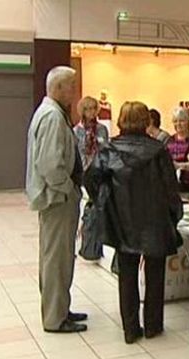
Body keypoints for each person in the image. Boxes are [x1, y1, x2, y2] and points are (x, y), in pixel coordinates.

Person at [84, 101, 183, 344]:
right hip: (155, 219)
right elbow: (171, 188)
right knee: (155, 274)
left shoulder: (109, 150)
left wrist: (104, 200)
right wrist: (175, 214)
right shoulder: (158, 150)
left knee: (126, 275)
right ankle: (153, 325)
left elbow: (90, 179)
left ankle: (130, 328)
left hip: (122, 220)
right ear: (145, 121)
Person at [25, 66, 87, 333]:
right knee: (56, 259)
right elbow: (50, 165)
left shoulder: (51, 112)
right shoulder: (51, 116)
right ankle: (54, 318)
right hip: (57, 198)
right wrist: (68, 189)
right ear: (58, 88)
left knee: (60, 257)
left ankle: (60, 308)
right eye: (72, 85)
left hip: (57, 197)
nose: (75, 91)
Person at [74, 96, 110, 262]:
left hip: (99, 175)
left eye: (93, 109)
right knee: (84, 208)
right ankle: (83, 242)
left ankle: (96, 245)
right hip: (83, 175)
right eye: (87, 109)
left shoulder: (102, 129)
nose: (91, 112)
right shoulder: (77, 131)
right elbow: (78, 154)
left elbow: (106, 151)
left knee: (97, 207)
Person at [166, 107, 189, 195]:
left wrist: (177, 165)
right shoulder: (170, 140)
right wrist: (185, 165)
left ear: (188, 121)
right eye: (175, 121)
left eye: (181, 121)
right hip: (173, 187)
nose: (178, 124)